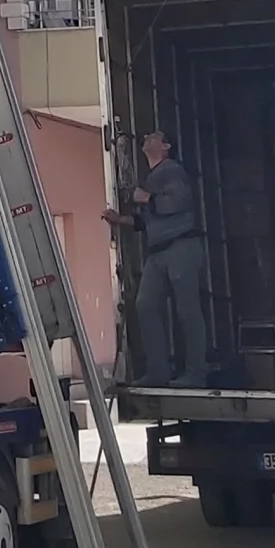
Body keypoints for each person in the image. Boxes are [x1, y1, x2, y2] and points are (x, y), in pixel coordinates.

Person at [106, 130, 208, 388]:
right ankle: (158, 372)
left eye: (154, 136)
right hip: (159, 250)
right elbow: (147, 220)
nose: (147, 138)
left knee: (186, 310)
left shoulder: (172, 170)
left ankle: (195, 373)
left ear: (166, 146)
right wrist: (119, 220)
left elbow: (179, 201)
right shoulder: (152, 177)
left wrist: (147, 198)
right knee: (146, 305)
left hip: (181, 245)